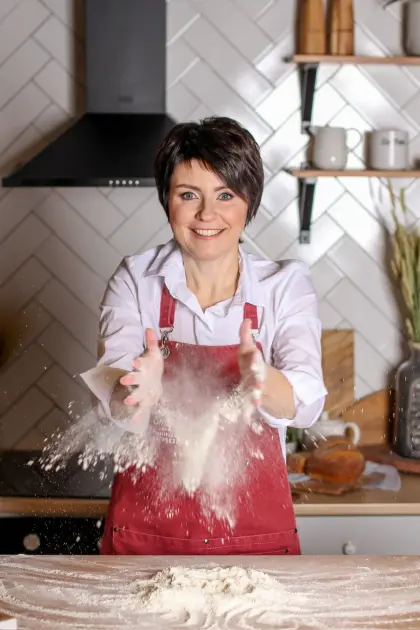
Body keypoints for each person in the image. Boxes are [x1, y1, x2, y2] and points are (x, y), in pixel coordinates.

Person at [81, 116, 327, 556]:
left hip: (254, 541)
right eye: (188, 195)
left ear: (249, 203)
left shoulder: (284, 286)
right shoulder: (136, 280)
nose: (207, 214)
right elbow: (112, 398)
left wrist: (261, 381)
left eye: (225, 195)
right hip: (145, 541)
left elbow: (306, 401)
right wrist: (137, 389)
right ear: (167, 201)